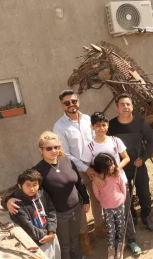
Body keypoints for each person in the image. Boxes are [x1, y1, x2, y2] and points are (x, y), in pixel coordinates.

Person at [6, 131, 90, 259]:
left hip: (76, 208)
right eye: (49, 148)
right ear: (41, 150)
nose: (54, 151)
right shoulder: (38, 170)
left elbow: (79, 181)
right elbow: (24, 186)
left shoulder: (66, 160)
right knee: (64, 244)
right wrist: (8, 199)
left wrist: (86, 200)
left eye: (56, 147)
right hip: (59, 214)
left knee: (75, 239)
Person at [81, 111, 142, 255]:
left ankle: (131, 240)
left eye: (104, 125)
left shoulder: (115, 141)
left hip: (121, 184)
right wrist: (95, 177)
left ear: (107, 125)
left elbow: (126, 158)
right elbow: (86, 166)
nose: (101, 128)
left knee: (126, 212)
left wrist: (117, 170)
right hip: (104, 188)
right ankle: (116, 240)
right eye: (98, 125)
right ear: (92, 127)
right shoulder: (90, 147)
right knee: (110, 216)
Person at [53, 89, 105, 254]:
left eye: (73, 101)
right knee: (82, 203)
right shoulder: (59, 126)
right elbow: (65, 153)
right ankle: (84, 236)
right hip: (76, 170)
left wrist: (97, 165)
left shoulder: (88, 119)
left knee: (97, 196)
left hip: (94, 166)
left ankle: (99, 225)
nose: (71, 105)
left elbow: (95, 142)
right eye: (67, 102)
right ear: (62, 105)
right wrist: (85, 168)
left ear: (78, 102)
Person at [107, 93, 153, 231]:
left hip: (138, 165)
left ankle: (146, 216)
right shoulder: (111, 125)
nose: (125, 107)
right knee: (125, 195)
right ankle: (132, 216)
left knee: (144, 193)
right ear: (117, 108)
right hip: (121, 168)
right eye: (122, 104)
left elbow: (151, 142)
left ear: (132, 107)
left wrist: (144, 158)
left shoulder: (141, 123)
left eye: (128, 104)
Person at [10, 169, 61, 259]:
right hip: (36, 243)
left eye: (35, 185)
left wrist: (51, 232)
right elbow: (27, 226)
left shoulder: (43, 195)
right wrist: (47, 235)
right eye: (28, 185)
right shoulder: (17, 204)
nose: (32, 188)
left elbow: (51, 212)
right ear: (20, 186)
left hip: (51, 236)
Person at [92, 153, 127, 259]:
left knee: (121, 228)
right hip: (107, 209)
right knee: (111, 230)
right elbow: (96, 194)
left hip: (120, 206)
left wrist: (123, 199)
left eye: (113, 164)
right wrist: (104, 202)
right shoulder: (97, 180)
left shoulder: (117, 175)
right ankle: (111, 250)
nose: (113, 167)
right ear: (102, 168)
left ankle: (120, 247)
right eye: (109, 166)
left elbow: (123, 188)